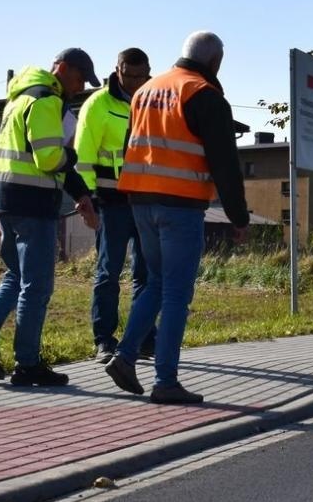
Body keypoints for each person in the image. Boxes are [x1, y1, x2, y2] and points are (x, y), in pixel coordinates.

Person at [104, 31, 248, 405]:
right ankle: (165, 381)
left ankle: (123, 356)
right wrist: (238, 216)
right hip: (180, 205)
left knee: (155, 282)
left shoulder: (147, 91)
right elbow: (225, 163)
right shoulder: (204, 94)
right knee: (176, 293)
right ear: (216, 62)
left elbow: (128, 147)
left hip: (140, 200)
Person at [0, 49, 101, 387]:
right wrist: (73, 154)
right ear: (63, 69)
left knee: (16, 277)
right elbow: (49, 158)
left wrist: (81, 193)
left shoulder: (20, 98)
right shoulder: (46, 101)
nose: (80, 87)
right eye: (80, 78)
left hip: (6, 201)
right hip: (32, 205)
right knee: (36, 287)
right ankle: (27, 364)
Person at [76, 47, 154, 363]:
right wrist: (89, 199)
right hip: (110, 202)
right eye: (130, 75)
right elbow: (83, 155)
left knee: (147, 275)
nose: (136, 82)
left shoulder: (153, 100)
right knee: (109, 273)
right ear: (118, 70)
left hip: (146, 201)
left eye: (143, 76)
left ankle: (144, 338)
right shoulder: (98, 104)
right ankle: (104, 340)